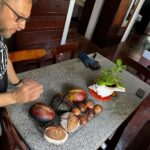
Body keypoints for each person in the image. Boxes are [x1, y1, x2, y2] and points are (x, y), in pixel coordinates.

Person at [0, 0, 43, 107]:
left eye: (25, 19)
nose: (23, 26)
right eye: (19, 16)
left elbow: (4, 60)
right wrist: (14, 97)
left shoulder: (2, 30)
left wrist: (18, 83)